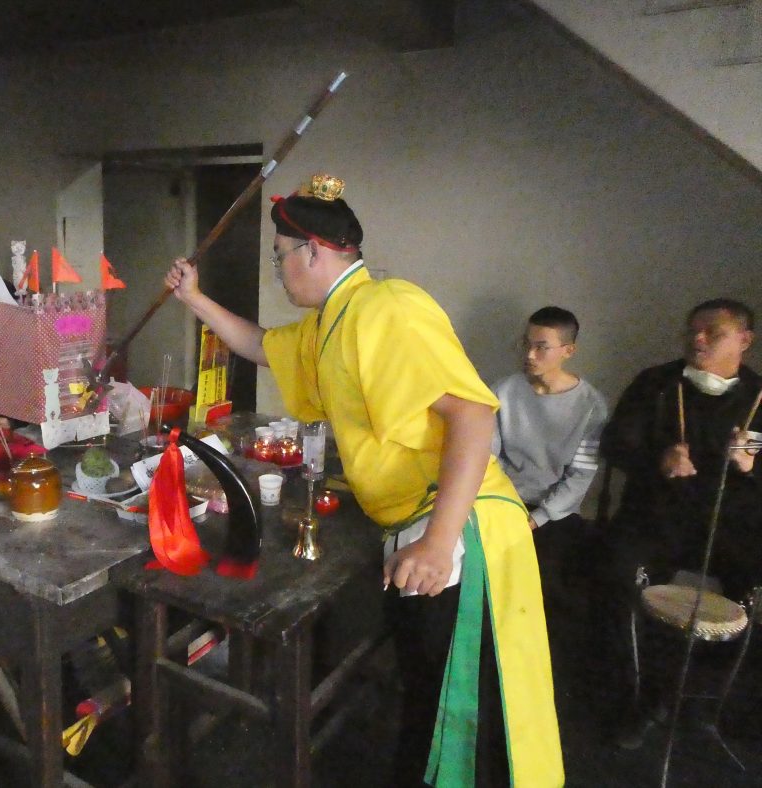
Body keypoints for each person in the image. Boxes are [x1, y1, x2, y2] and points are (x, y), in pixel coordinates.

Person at [165, 175, 563, 786]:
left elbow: (472, 415)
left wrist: (437, 543)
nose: (278, 271)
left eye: (280, 256)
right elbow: (263, 346)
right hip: (417, 522)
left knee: (462, 710)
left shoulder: (386, 307)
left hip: (458, 527)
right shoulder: (332, 321)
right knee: (429, 698)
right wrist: (194, 298)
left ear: (314, 252)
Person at [600, 298, 761, 746]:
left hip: (731, 527)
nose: (698, 339)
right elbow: (614, 444)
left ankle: (718, 701)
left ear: (744, 341)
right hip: (656, 518)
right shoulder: (656, 383)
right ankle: (641, 696)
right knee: (618, 576)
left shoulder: (759, 395)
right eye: (693, 330)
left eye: (713, 332)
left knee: (753, 589)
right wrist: (660, 459)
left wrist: (752, 466)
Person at [491, 307, 608, 628]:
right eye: (526, 344)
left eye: (541, 347)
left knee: (549, 583)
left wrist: (537, 518)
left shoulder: (591, 405)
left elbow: (581, 474)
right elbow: (489, 457)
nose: (530, 354)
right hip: (502, 500)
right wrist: (502, 505)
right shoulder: (503, 390)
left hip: (554, 512)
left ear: (568, 351)